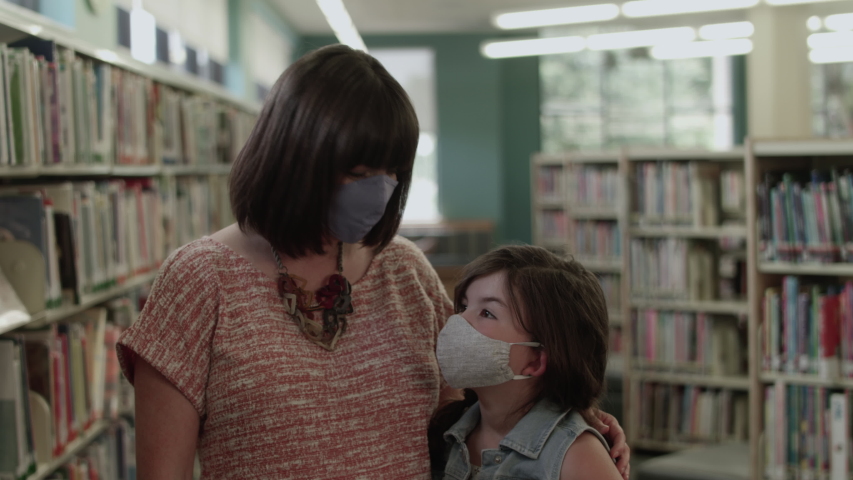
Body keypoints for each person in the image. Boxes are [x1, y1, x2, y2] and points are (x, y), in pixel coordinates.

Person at [116, 44, 630, 479]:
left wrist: (568, 426)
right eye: (359, 171)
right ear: (294, 157)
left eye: (391, 174)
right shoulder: (199, 281)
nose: (379, 193)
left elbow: (469, 418)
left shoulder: (403, 271)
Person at [429, 245, 623, 480]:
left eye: (487, 313)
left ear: (535, 360)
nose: (457, 320)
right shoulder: (446, 433)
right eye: (464, 305)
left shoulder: (577, 456)